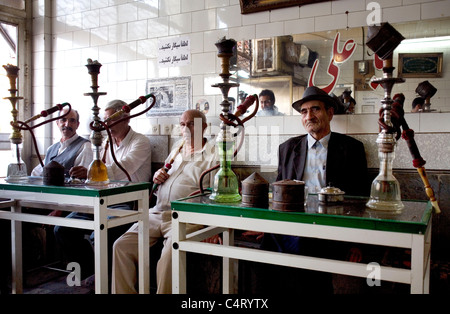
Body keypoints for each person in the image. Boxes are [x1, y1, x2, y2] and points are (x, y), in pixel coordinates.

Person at [259, 86, 369, 293]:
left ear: (330, 113)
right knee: (266, 256)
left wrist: (358, 243)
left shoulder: (351, 148)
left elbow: (362, 198)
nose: (309, 116)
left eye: (315, 109)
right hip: (293, 224)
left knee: (305, 255)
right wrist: (266, 225)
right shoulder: (288, 148)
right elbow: (279, 193)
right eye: (304, 111)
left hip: (332, 227)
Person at [111, 109, 217, 294]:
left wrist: (213, 227)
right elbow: (166, 175)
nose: (186, 128)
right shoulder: (177, 147)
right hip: (157, 212)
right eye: (183, 124)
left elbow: (218, 194)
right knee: (121, 246)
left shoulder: (214, 154)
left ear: (205, 127)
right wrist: (157, 176)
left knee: (169, 256)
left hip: (187, 217)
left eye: (192, 123)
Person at [54, 99, 152, 280]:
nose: (107, 125)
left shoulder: (140, 142)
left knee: (100, 234)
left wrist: (91, 171)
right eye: (105, 120)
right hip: (103, 201)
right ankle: (91, 274)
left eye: (111, 120)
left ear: (126, 118)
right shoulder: (105, 143)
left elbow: (123, 168)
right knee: (62, 229)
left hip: (128, 203)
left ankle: (106, 281)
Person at [31, 107, 92, 178]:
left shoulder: (85, 146)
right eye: (63, 120)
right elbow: (35, 174)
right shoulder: (51, 149)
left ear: (77, 125)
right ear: (57, 123)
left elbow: (81, 179)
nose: (67, 124)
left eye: (72, 121)